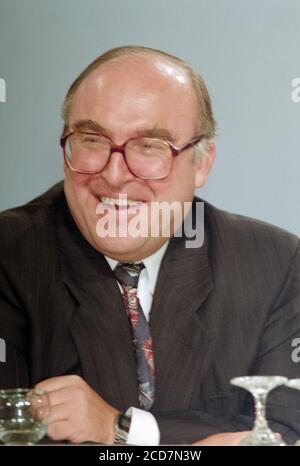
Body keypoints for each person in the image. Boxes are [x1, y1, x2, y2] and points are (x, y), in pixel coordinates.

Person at [0, 45, 299, 446]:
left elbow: (286, 431)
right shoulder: (10, 253)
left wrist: (121, 429)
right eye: (92, 139)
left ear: (202, 163)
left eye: (149, 146)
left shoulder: (275, 263)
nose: (115, 174)